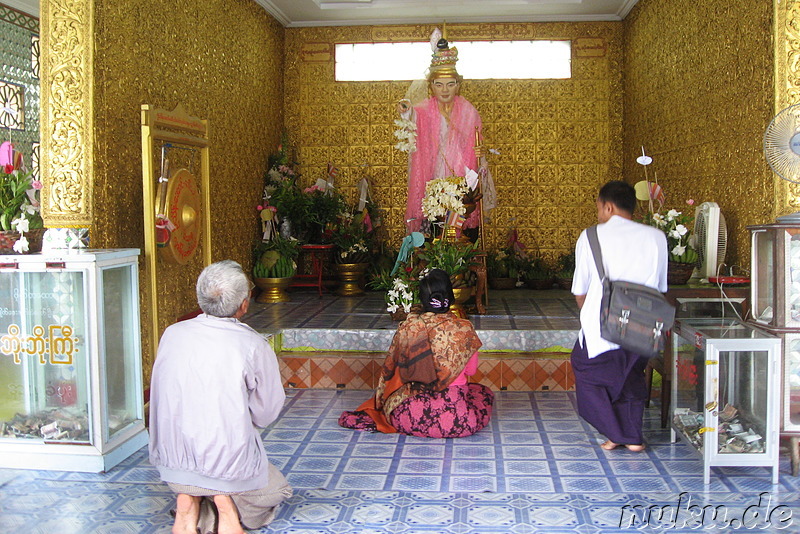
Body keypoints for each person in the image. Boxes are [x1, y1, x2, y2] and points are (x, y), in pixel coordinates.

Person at [149, 260, 292, 534]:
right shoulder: (252, 344)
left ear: (200, 298)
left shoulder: (172, 334)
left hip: (171, 462)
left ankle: (188, 501)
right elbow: (267, 411)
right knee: (275, 489)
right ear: (244, 304)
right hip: (229, 463)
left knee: (197, 476)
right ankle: (224, 505)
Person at [570, 180, 668, 452]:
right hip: (645, 323)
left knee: (587, 371)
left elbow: (580, 289)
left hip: (602, 324)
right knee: (631, 375)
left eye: (600, 208)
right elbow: (660, 287)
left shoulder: (590, 236)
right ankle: (630, 437)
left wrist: (592, 316)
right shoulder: (657, 237)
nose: (599, 214)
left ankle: (617, 432)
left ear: (608, 206)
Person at [338, 268, 494, 438]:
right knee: (482, 393)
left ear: (422, 299)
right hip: (457, 421)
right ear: (451, 296)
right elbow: (471, 371)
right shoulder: (464, 329)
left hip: (407, 416)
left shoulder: (409, 327)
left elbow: (392, 372)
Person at [397, 29, 496, 234]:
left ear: (458, 85)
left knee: (460, 223)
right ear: (431, 85)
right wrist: (407, 111)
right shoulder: (425, 108)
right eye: (439, 84)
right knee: (437, 226)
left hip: (461, 175)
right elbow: (413, 116)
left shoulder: (468, 110)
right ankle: (438, 261)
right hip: (434, 174)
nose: (444, 90)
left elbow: (476, 142)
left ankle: (458, 262)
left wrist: (480, 152)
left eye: (450, 84)